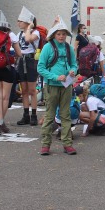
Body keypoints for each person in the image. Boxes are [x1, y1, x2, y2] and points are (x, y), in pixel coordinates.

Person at [37, 16, 78, 155]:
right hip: (52, 86)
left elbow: (74, 64)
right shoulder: (47, 47)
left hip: (66, 86)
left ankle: (67, 144)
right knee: (49, 116)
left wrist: (73, 71)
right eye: (59, 34)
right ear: (54, 34)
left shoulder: (69, 48)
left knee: (65, 115)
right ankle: (45, 145)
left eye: (63, 34)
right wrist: (55, 77)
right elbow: (40, 68)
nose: (61, 36)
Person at [0, 11, 22, 134]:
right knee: (5, 97)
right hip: (8, 67)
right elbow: (19, 53)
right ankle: (0, 122)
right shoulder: (11, 35)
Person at [16, 7, 40, 126]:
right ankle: (26, 115)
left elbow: (28, 39)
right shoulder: (19, 34)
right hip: (21, 60)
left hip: (31, 61)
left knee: (32, 90)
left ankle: (34, 115)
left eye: (20, 21)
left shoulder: (35, 32)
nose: (18, 23)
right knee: (24, 90)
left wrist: (29, 28)